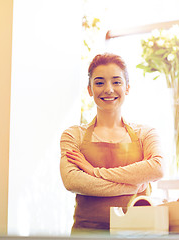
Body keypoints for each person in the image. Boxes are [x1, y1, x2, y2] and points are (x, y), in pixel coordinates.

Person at [59, 53, 164, 234]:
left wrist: (94, 172)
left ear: (127, 87)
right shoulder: (73, 135)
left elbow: (157, 168)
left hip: (139, 233)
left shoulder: (145, 133)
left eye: (116, 82)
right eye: (99, 82)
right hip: (87, 234)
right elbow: (73, 181)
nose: (108, 89)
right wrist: (132, 186)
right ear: (90, 89)